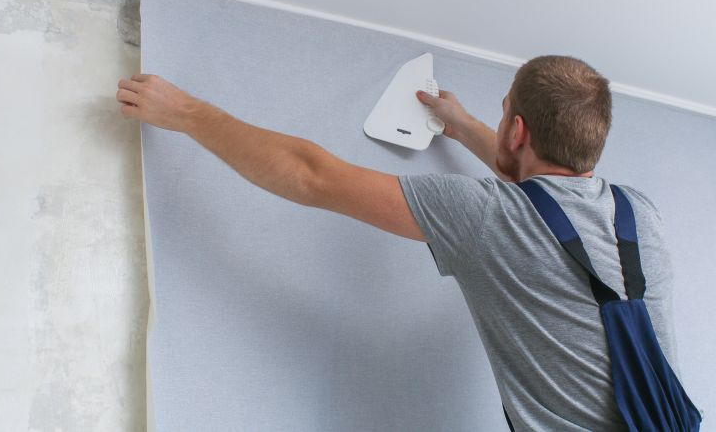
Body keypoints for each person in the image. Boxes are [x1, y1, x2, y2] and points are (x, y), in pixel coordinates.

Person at [116, 55, 684, 430]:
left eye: (505, 109)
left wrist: (187, 113)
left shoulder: (487, 216)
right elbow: (543, 192)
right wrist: (459, 124)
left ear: (516, 130)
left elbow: (311, 174)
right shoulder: (642, 215)